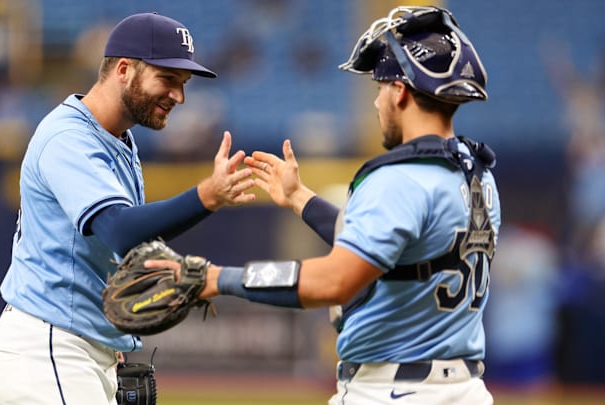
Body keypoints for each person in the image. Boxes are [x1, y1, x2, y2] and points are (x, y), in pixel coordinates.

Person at [146, 6, 500, 405]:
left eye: (380, 88)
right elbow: (392, 246)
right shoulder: (476, 174)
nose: (376, 102)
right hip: (463, 390)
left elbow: (335, 280)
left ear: (400, 91)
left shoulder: (398, 178)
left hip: (394, 390)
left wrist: (216, 278)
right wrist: (300, 198)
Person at [0, 12, 256, 405]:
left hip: (82, 349)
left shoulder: (120, 142)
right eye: (167, 79)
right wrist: (207, 196)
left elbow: (122, 249)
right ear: (124, 69)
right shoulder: (68, 137)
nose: (179, 96)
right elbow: (121, 230)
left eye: (183, 84)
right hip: (48, 347)